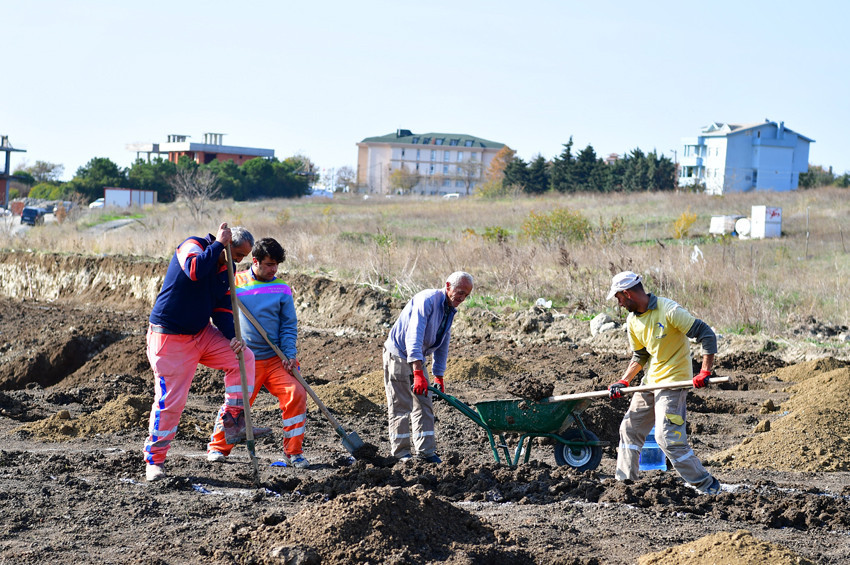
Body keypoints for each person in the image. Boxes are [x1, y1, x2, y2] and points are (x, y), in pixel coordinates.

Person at [143, 222, 269, 482]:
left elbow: (221, 308)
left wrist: (233, 337)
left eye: (243, 257)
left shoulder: (227, 269)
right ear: (226, 244)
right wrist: (218, 245)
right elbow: (194, 271)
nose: (240, 261)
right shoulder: (194, 246)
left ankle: (233, 421)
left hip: (201, 333)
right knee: (171, 403)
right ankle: (154, 461)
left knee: (243, 357)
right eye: (238, 255)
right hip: (170, 337)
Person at [605, 271, 721, 495]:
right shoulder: (632, 320)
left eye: (618, 298)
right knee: (629, 429)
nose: (619, 304)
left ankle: (707, 485)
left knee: (667, 438)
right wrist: (624, 381)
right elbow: (640, 355)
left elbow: (706, 334)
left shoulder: (668, 310)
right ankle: (625, 486)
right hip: (650, 382)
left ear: (627, 293)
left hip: (673, 383)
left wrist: (705, 371)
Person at [206, 237, 310, 468]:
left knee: (296, 394)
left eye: (277, 265)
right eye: (270, 264)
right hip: (246, 359)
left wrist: (289, 354)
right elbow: (220, 312)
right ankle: (218, 447)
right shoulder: (235, 282)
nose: (274, 270)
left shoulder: (281, 288)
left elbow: (288, 326)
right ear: (255, 261)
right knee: (236, 403)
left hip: (275, 359)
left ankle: (294, 452)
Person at [383, 271, 474, 463]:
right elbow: (413, 336)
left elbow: (443, 341)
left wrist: (438, 375)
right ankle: (401, 454)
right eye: (460, 292)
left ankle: (426, 452)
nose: (462, 298)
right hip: (399, 354)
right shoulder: (427, 300)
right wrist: (418, 372)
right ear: (448, 286)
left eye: (466, 295)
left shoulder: (450, 309)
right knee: (401, 405)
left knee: (424, 404)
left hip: (418, 356)